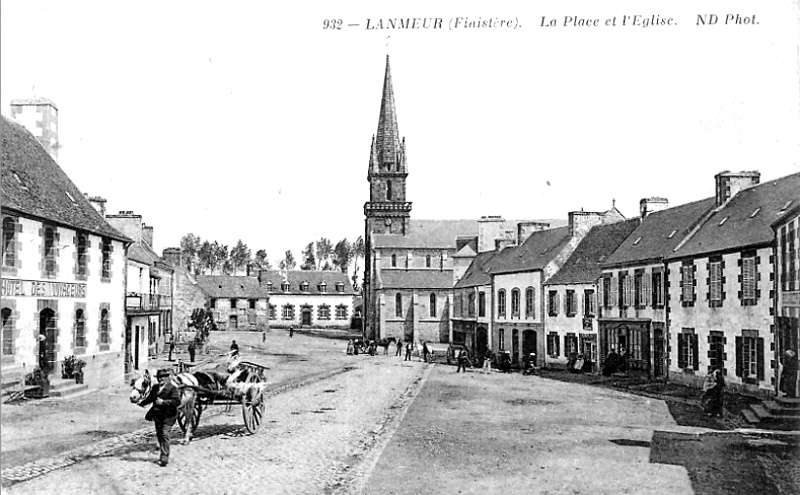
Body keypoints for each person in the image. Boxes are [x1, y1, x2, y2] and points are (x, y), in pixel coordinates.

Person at [139, 369, 181, 467]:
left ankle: (164, 458)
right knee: (159, 434)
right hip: (158, 416)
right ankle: (163, 453)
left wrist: (163, 402)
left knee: (164, 434)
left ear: (167, 378)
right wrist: (141, 403)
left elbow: (177, 402)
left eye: (163, 377)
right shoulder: (155, 387)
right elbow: (150, 398)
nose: (161, 379)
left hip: (169, 416)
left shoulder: (172, 388)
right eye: (159, 378)